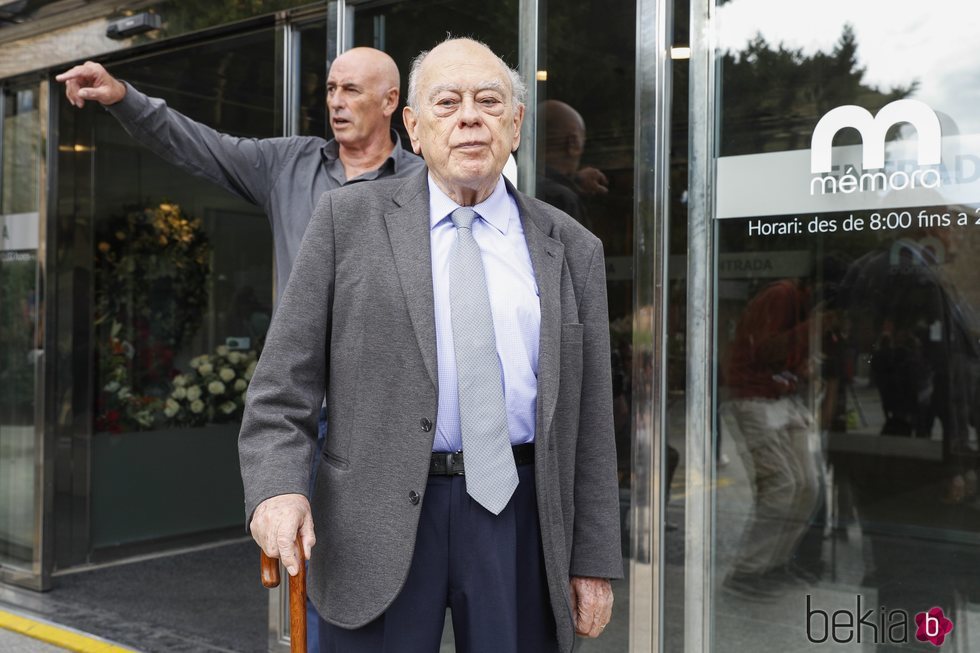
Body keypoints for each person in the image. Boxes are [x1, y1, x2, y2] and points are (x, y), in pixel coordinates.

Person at [240, 37, 622, 653]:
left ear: (516, 123)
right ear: (414, 128)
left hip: (519, 516)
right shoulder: (346, 222)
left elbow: (591, 422)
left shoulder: (572, 247)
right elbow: (282, 386)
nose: (469, 116)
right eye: (447, 102)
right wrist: (277, 487)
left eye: (489, 100)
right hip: (372, 517)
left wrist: (594, 559)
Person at [55, 47, 425, 301]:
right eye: (331, 89)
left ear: (389, 101)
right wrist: (121, 96)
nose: (335, 102)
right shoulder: (289, 163)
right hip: (302, 399)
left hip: (383, 398)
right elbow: (200, 145)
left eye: (351, 90)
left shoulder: (425, 181)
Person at [537, 99, 608, 230]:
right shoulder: (563, 198)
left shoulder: (514, 182)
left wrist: (574, 180)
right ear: (573, 143)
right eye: (583, 140)